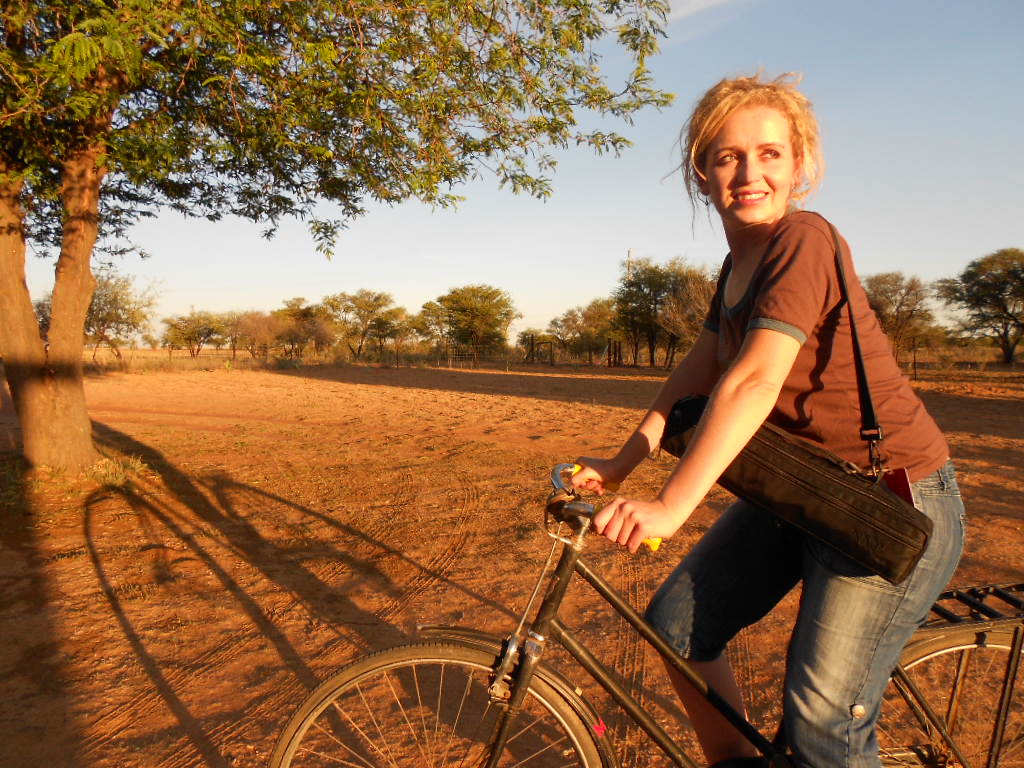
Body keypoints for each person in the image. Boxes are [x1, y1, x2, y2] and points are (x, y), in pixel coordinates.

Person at [572, 73, 964, 768]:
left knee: (819, 723)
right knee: (677, 626)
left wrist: (668, 506)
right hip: (809, 487)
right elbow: (700, 369)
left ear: (800, 166)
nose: (749, 172)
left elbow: (751, 382)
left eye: (770, 154)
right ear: (701, 173)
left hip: (891, 498)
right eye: (727, 157)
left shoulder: (803, 240)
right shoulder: (737, 265)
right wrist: (619, 462)